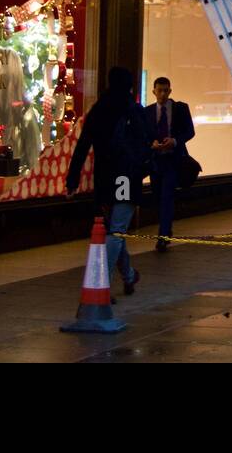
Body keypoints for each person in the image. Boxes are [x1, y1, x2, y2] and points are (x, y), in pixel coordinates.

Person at [66, 67, 152, 297]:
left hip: (103, 177)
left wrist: (72, 179)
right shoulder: (132, 110)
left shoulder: (98, 110)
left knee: (114, 229)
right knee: (117, 230)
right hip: (125, 177)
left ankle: (129, 275)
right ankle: (102, 283)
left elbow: (83, 145)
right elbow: (145, 143)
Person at [144, 76, 195, 253]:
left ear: (170, 91)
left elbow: (190, 131)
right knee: (158, 196)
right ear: (154, 91)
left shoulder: (180, 109)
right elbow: (143, 134)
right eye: (160, 90)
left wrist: (174, 141)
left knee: (167, 196)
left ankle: (163, 235)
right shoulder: (148, 112)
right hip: (156, 161)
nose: (163, 94)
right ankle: (166, 230)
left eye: (166, 90)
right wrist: (152, 144)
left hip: (173, 160)